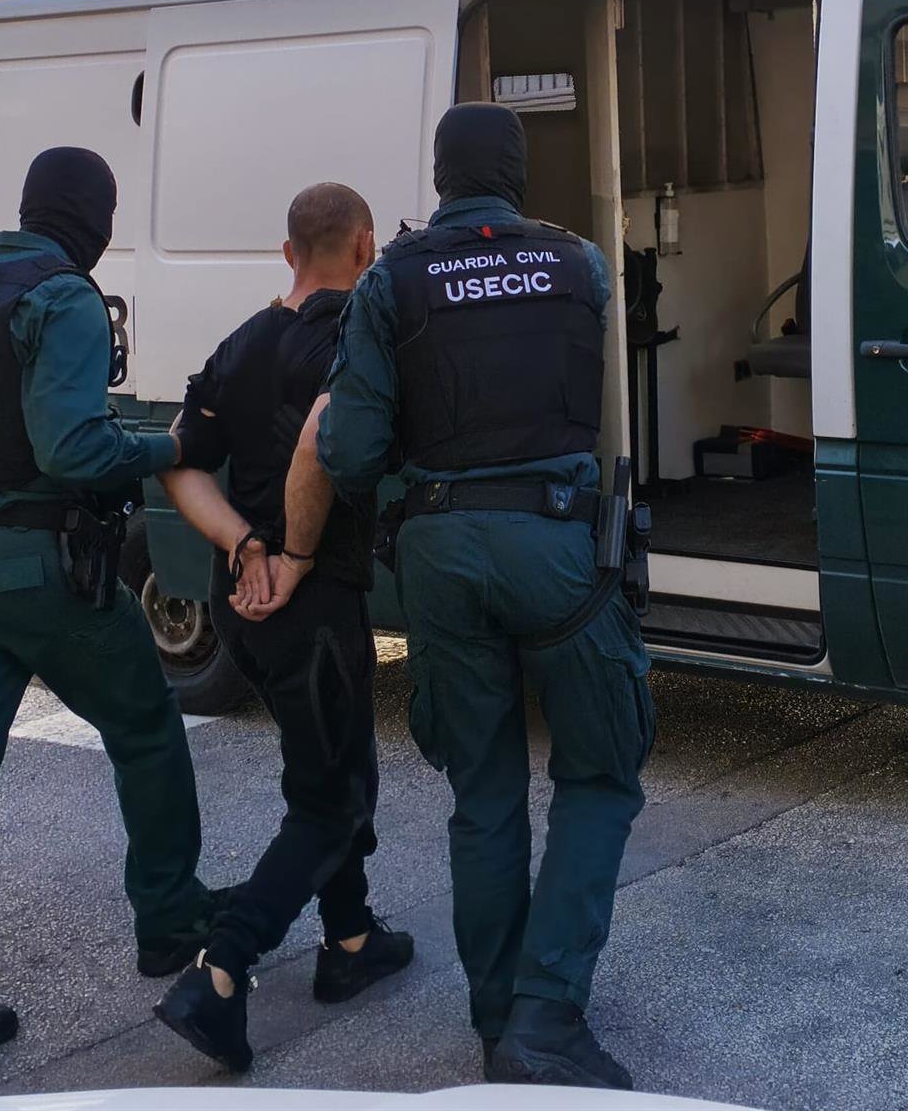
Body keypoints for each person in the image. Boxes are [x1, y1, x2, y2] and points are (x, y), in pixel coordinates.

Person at [277, 105, 655, 1090]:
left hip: (441, 551)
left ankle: (498, 1027)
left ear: (441, 177)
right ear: (518, 173)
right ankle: (547, 1014)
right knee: (600, 775)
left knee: (484, 794)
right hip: (562, 546)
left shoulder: (392, 279)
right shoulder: (580, 264)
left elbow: (350, 449)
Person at [0, 147, 216, 1066]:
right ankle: (171, 919)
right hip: (33, 564)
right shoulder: (65, 299)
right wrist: (168, 445)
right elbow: (72, 451)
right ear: (92, 218)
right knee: (145, 724)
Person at [152, 182, 413, 1073]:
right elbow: (321, 444)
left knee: (333, 764)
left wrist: (242, 545)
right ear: (365, 246)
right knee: (330, 800)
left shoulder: (244, 339)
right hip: (311, 601)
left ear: (287, 252)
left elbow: (180, 463)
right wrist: (290, 555)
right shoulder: (357, 337)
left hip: (242, 605)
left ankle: (351, 940)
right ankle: (219, 973)